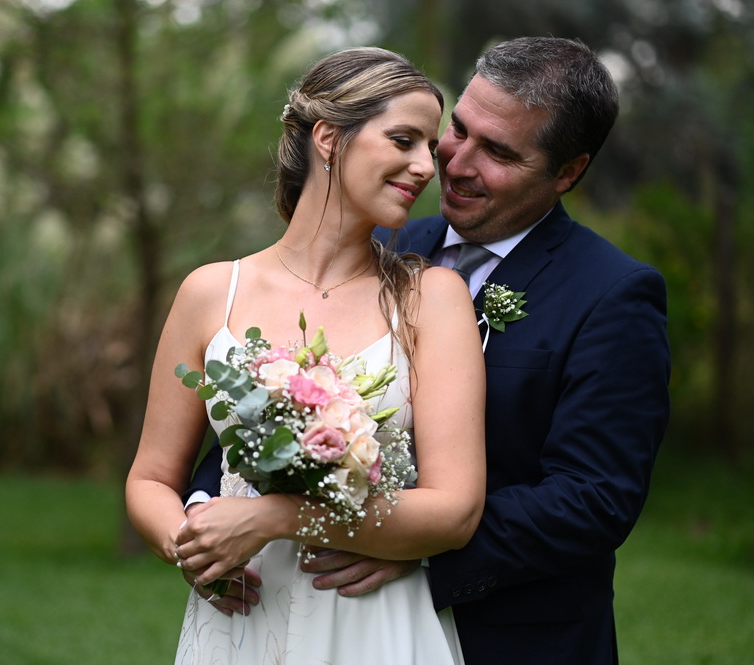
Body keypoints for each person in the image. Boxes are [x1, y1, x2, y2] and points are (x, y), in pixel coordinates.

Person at [186, 36, 672, 665]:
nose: (455, 162)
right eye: (460, 129)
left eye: (497, 152)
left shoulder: (612, 294)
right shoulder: (383, 238)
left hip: (511, 635)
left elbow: (594, 497)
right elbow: (278, 393)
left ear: (568, 172)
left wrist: (406, 544)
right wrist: (208, 516)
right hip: (320, 622)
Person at [126, 47, 487, 665]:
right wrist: (193, 548)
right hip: (240, 618)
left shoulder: (433, 299)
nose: (426, 165)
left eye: (430, 146)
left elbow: (455, 512)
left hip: (371, 621)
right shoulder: (212, 292)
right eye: (404, 140)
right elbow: (150, 480)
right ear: (328, 138)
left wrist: (274, 517)